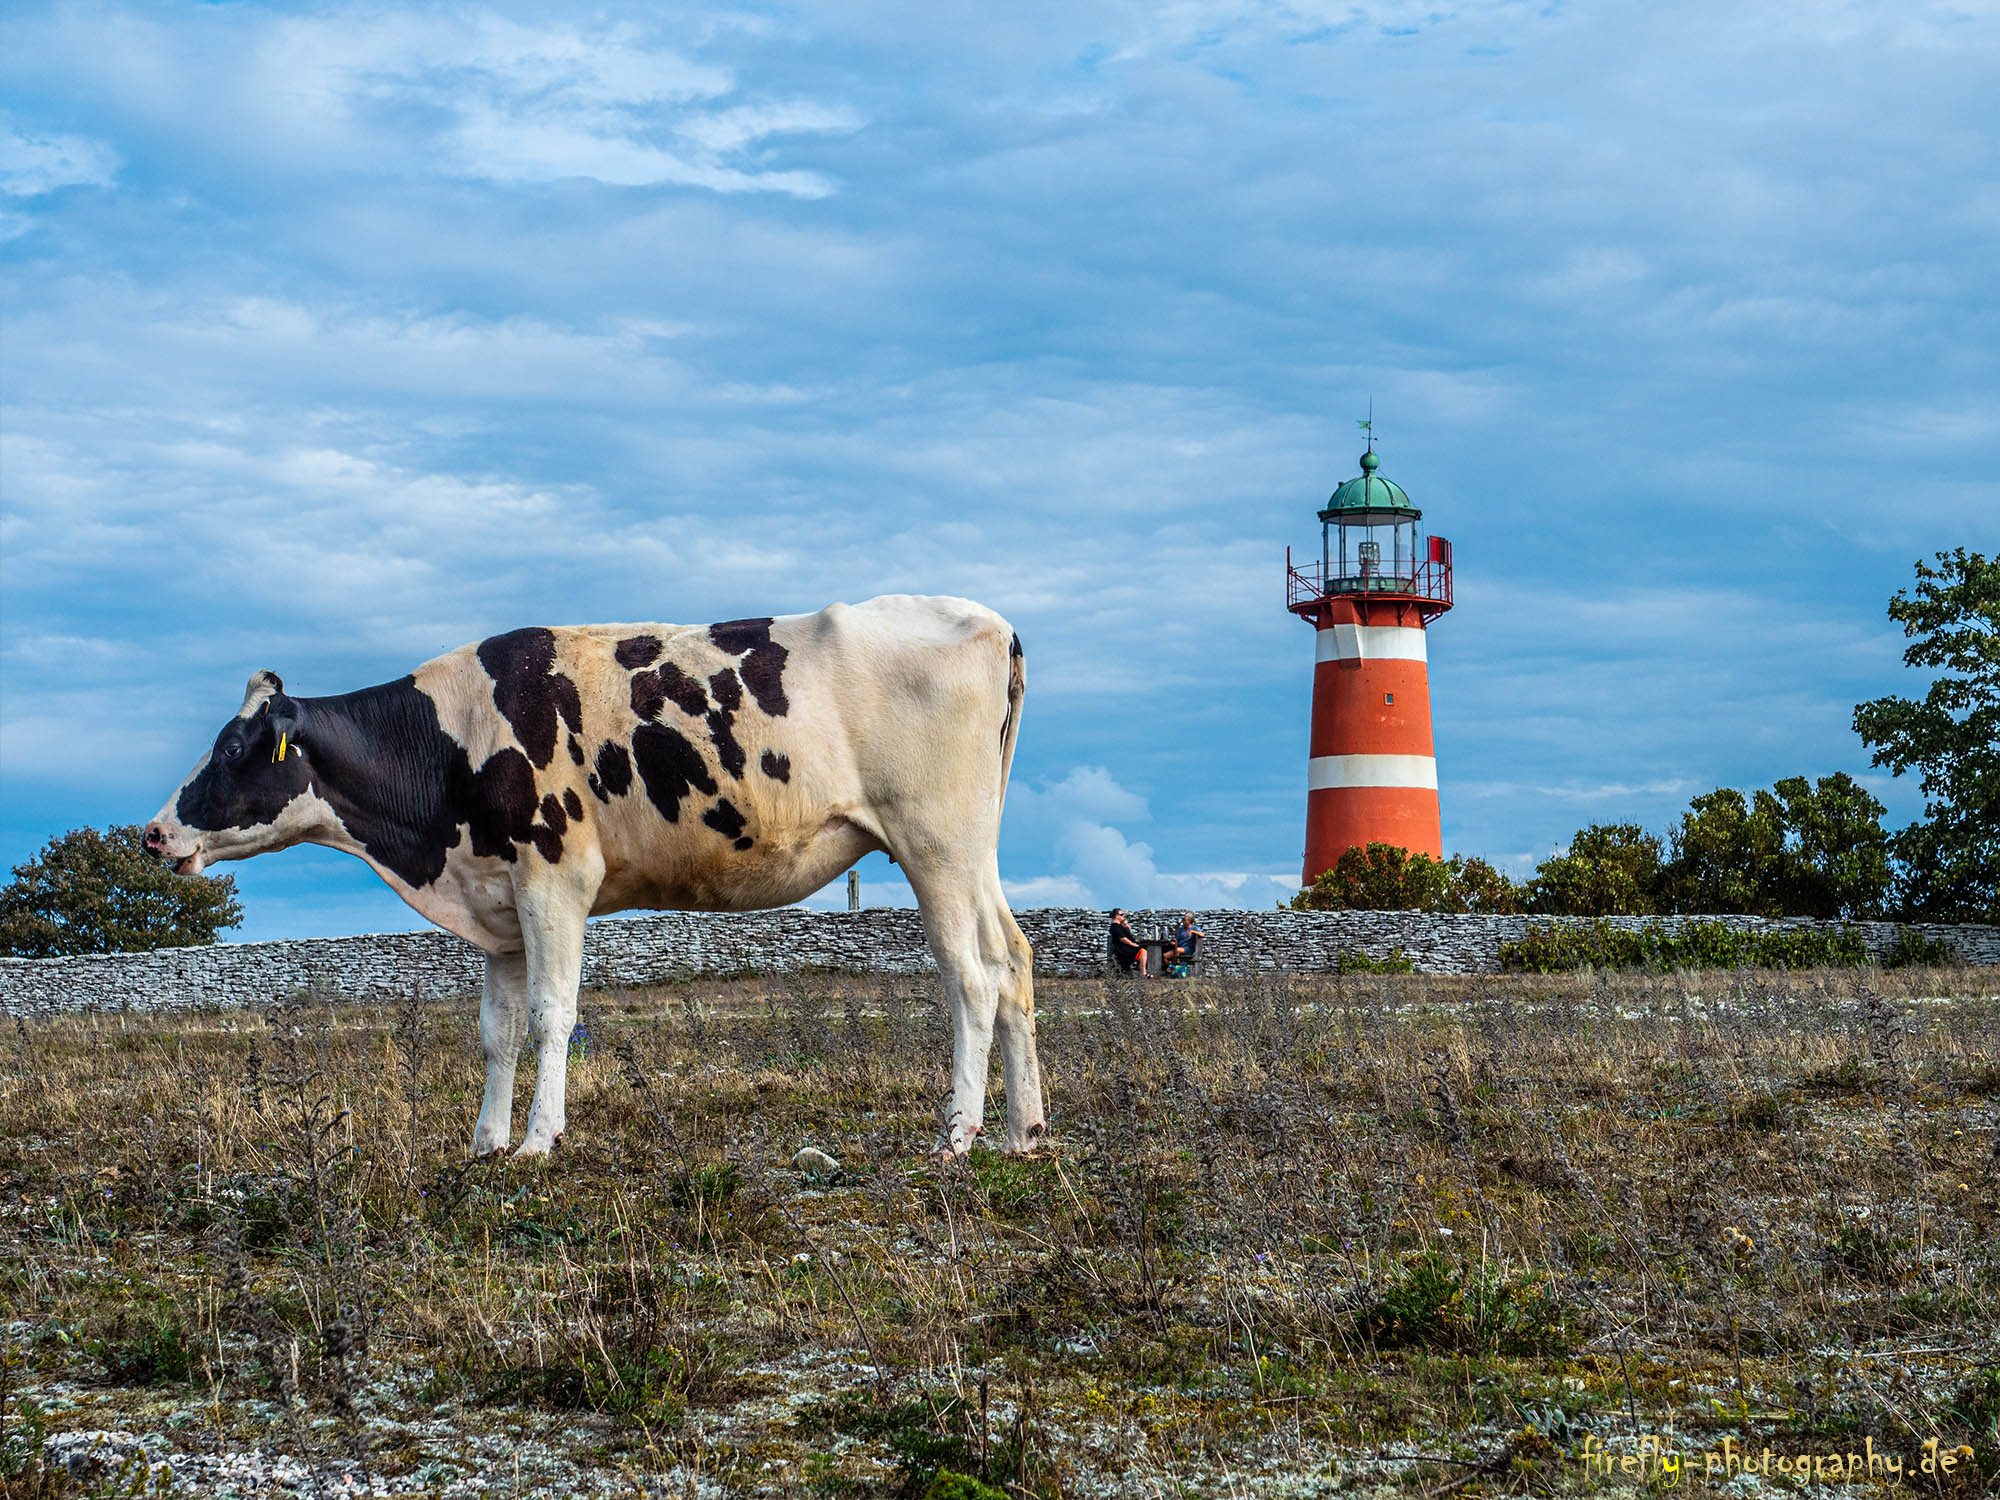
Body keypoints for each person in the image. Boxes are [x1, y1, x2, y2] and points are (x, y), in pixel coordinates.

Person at [1107, 908, 1149, 976]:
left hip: (1127, 947)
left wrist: (1128, 929)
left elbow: (1126, 936)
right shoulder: (1115, 927)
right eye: (1121, 914)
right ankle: (1143, 973)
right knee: (1143, 951)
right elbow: (1122, 938)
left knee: (1144, 949)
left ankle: (1142, 972)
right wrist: (1133, 944)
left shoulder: (1119, 926)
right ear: (1116, 916)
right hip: (1123, 949)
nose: (1123, 916)